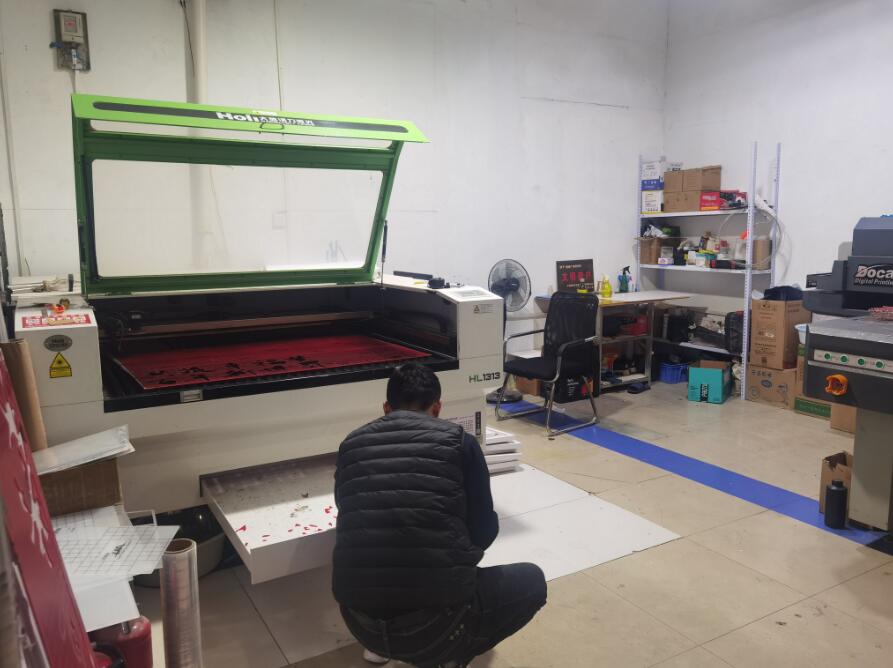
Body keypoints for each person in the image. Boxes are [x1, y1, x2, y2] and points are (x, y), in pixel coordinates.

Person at [332, 363, 547, 668]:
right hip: (436, 628)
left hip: (359, 623)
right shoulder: (459, 442)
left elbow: (347, 512)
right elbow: (484, 531)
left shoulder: (350, 444)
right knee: (533, 581)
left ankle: (381, 649)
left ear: (386, 408)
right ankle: (450, 655)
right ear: (437, 408)